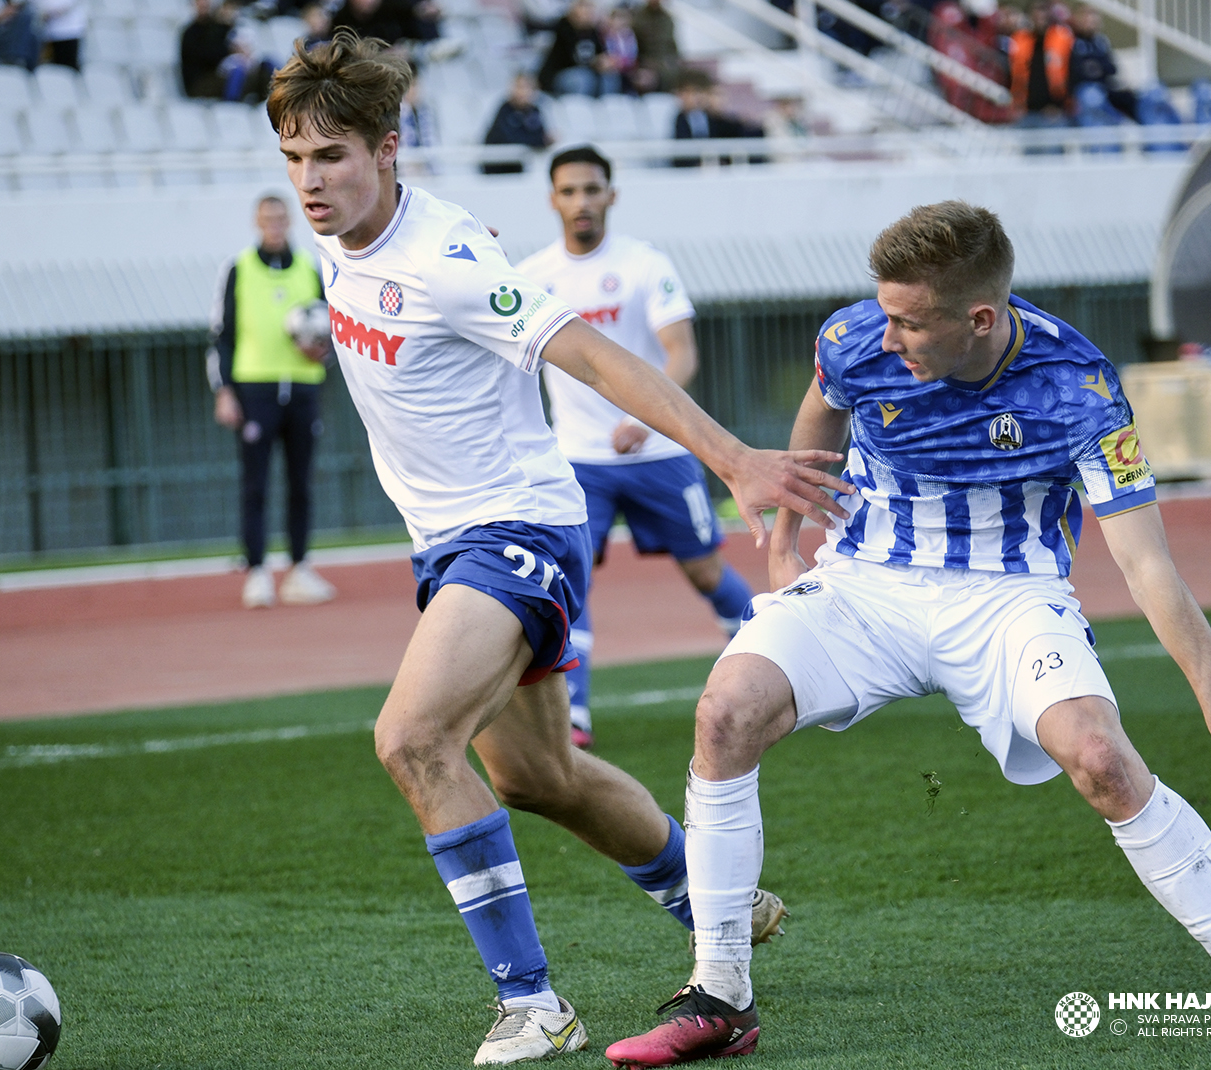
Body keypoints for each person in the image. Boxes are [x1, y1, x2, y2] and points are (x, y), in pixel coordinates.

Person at [607, 201, 1211, 1066]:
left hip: (1010, 597)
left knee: (1104, 760)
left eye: (908, 323)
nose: (885, 339)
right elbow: (824, 402)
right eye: (883, 314)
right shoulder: (857, 338)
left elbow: (1149, 568)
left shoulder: (1080, 387)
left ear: (981, 318)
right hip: (866, 586)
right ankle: (720, 996)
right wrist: (786, 539)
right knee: (725, 713)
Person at [264, 31, 840, 1064]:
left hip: (518, 529)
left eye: (332, 157)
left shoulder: (447, 264)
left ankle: (533, 1001)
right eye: (296, 160)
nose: (311, 181)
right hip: (445, 544)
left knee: (411, 738)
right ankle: (717, 902)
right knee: (539, 774)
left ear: (387, 149)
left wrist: (726, 456)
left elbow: (593, 354)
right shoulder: (341, 231)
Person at [518, 146, 755, 750]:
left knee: (706, 571)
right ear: (552, 200)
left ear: (611, 195)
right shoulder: (532, 276)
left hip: (658, 455)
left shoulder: (644, 264)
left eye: (592, 189)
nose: (581, 202)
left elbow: (682, 352)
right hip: (576, 462)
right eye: (568, 191)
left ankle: (775, 662)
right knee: (570, 582)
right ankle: (574, 713)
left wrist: (643, 420)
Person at [208, 194, 337, 608]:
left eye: (281, 217)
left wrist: (322, 352)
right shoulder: (238, 269)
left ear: (291, 221)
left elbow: (331, 328)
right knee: (255, 484)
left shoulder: (309, 269)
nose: (275, 223)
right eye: (267, 218)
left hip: (302, 388)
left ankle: (299, 569)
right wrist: (225, 390)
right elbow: (221, 335)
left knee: (301, 483)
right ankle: (257, 572)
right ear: (256, 222)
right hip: (255, 391)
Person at [1007, 0, 1073, 125]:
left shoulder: (1063, 38)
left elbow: (1072, 73)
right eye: (1036, 11)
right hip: (1025, 110)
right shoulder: (1019, 40)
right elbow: (1012, 74)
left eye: (1043, 11)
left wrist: (1058, 105)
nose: (1040, 16)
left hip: (1055, 111)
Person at [538, 0, 619, 98]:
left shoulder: (593, 32)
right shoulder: (563, 27)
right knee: (583, 77)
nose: (588, 12)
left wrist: (605, 62)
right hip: (559, 75)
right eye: (584, 8)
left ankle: (607, 108)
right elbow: (570, 57)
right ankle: (577, 110)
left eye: (590, 9)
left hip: (588, 72)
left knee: (610, 76)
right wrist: (594, 62)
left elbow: (601, 53)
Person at [482, 72, 552, 175]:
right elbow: (508, 138)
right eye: (519, 87)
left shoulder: (534, 111)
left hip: (518, 167)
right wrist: (540, 141)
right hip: (497, 167)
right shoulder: (505, 110)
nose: (523, 92)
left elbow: (540, 134)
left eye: (528, 87)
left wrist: (542, 140)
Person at [180, 0, 232, 98]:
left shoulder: (216, 28)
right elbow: (207, 56)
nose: (204, 6)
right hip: (198, 84)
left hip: (214, 78)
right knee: (235, 77)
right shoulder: (190, 33)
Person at [630, 0, 681, 92]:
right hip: (645, 61)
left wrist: (673, 60)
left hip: (665, 61)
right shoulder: (638, 17)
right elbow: (634, 45)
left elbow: (672, 44)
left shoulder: (667, 19)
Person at [35, 0, 86, 69]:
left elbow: (67, 6)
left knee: (67, 67)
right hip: (47, 33)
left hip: (69, 32)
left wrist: (53, 12)